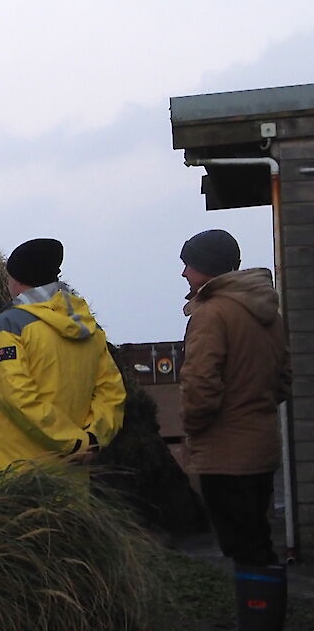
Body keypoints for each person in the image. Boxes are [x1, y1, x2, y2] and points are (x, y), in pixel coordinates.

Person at [177, 228, 291, 627]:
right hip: (260, 445)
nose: (184, 273)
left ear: (206, 267)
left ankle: (257, 622)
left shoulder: (212, 313)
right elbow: (284, 380)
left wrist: (194, 426)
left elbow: (200, 386)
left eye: (188, 264)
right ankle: (268, 618)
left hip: (225, 454)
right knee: (258, 543)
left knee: (244, 547)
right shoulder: (268, 313)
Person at [0, 238, 125, 480]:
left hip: (15, 473)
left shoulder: (8, 325)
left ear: (17, 279)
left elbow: (16, 398)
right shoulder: (88, 327)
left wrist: (71, 443)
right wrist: (92, 440)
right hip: (71, 476)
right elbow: (112, 392)